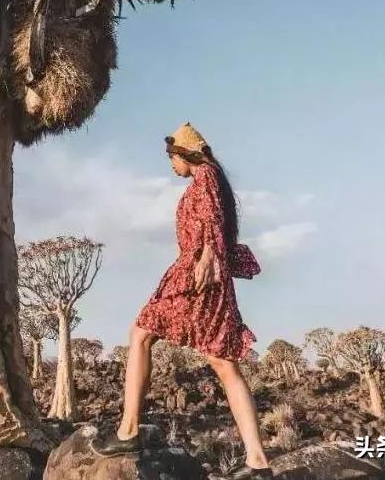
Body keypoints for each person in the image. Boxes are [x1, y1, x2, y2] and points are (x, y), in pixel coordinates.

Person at [90, 122, 273, 479]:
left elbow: (212, 220)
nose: (171, 165)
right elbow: (216, 220)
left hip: (197, 275)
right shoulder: (211, 177)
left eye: (171, 158)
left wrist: (206, 255)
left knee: (141, 333)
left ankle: (128, 430)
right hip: (208, 275)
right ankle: (258, 461)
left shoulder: (204, 175)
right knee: (223, 364)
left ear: (183, 154)